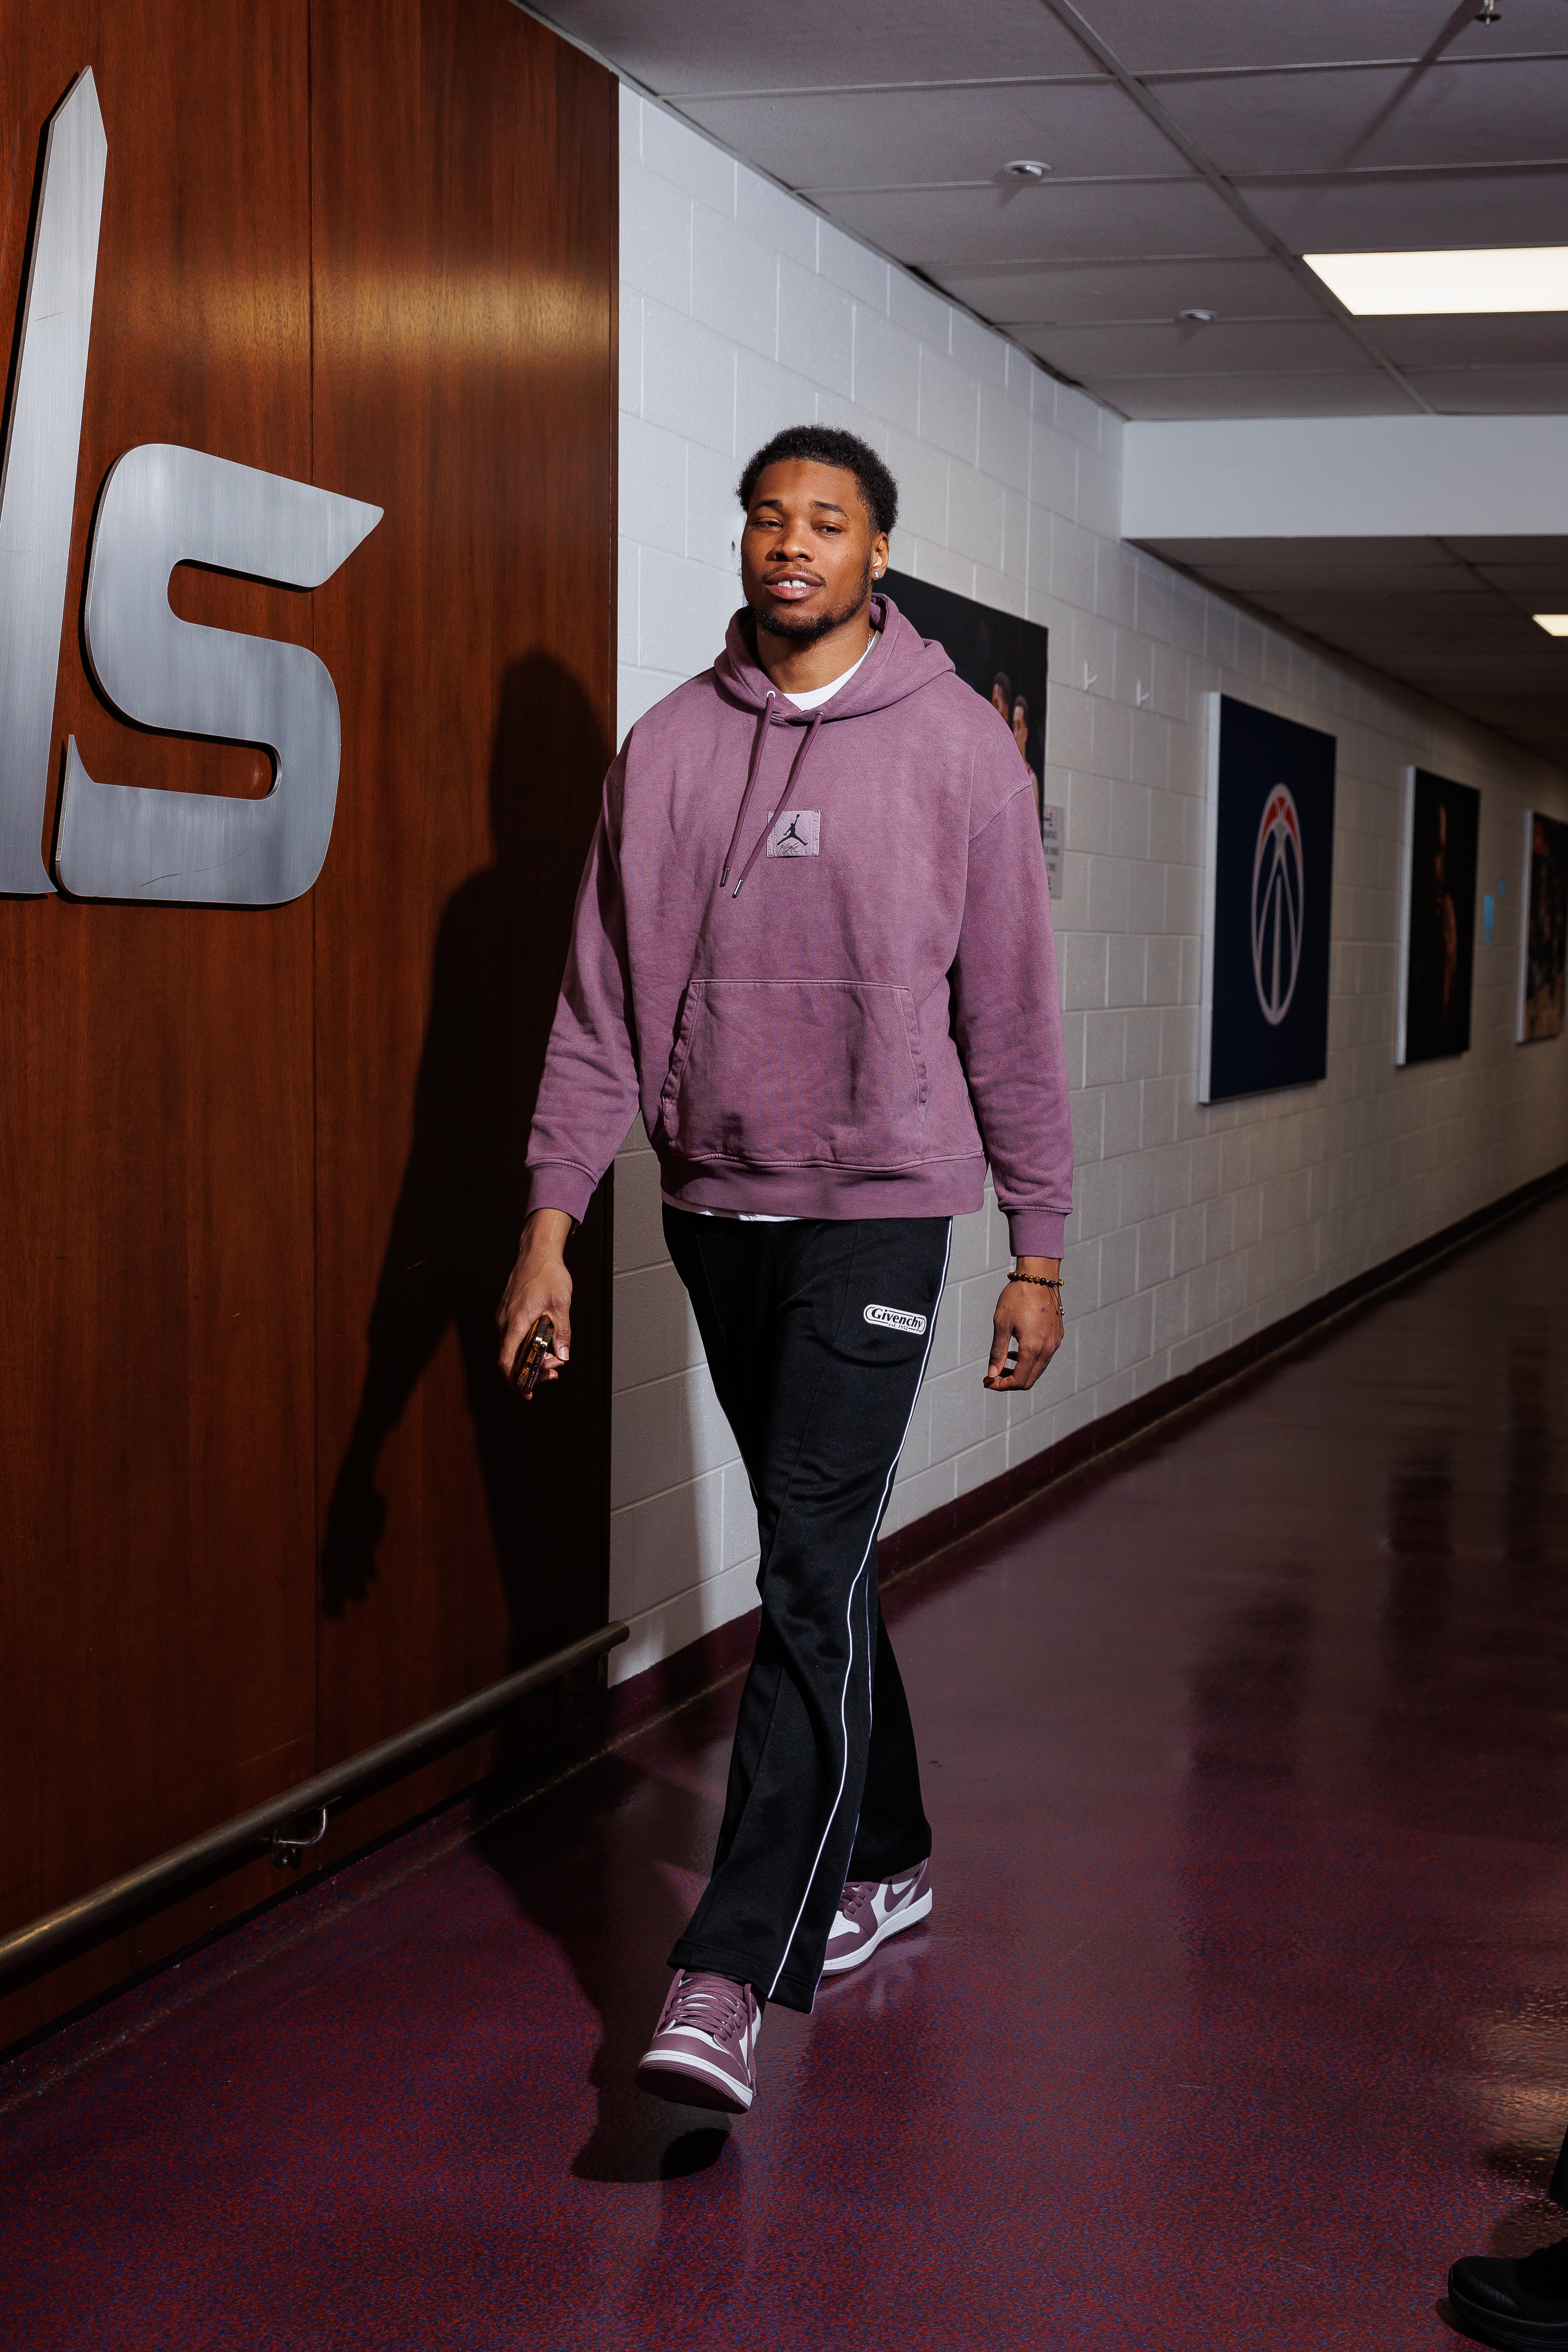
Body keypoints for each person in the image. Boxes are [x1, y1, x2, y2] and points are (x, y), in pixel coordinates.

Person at [496, 422, 1073, 2117]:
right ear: (743, 544)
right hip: (716, 1205)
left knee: (806, 1569)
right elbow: (604, 1005)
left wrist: (1037, 1245)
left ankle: (728, 1969)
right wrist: (549, 1225)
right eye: (768, 518)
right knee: (827, 1563)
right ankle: (886, 1850)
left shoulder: (964, 752)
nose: (792, 545)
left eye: (827, 522)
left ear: (879, 554)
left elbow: (1018, 1019)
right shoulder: (670, 749)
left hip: (886, 1206)